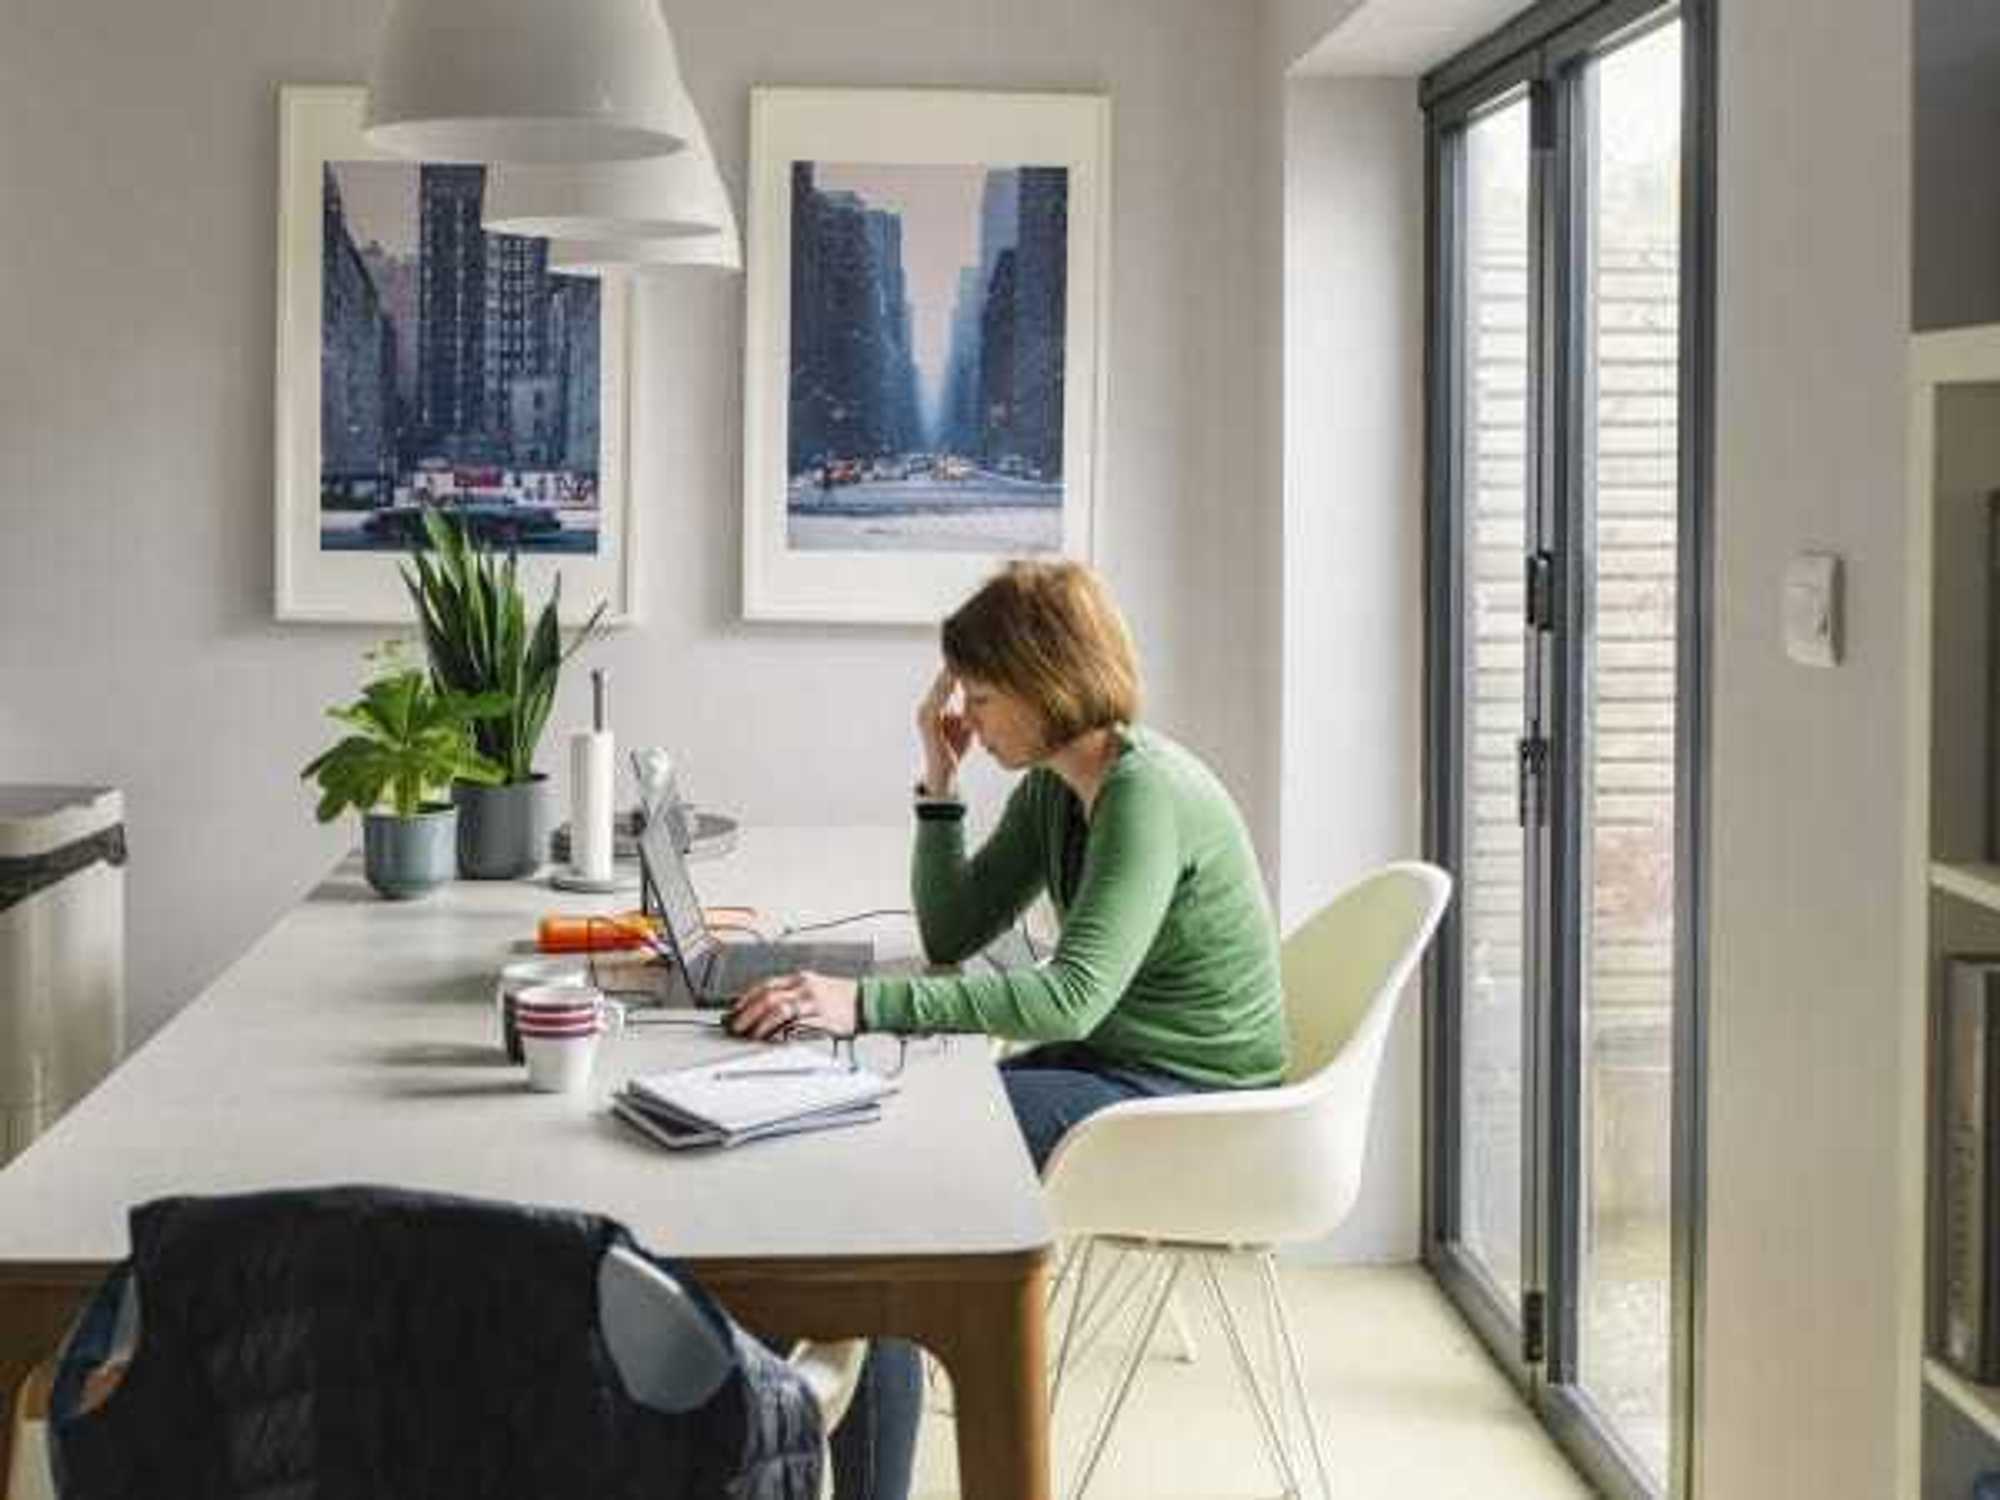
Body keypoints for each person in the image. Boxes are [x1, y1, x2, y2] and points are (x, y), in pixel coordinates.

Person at [727, 559, 1288, 1500]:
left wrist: (864, 1004)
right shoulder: (1057, 791)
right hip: (1119, 1063)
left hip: (1191, 1104)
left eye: (983, 698)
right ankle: (750, 1409)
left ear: (1046, 684)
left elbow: (1071, 998)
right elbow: (952, 932)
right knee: (878, 1143)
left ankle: (807, 1443)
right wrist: (939, 780)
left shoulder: (1144, 795)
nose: (971, 718)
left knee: (892, 1193)